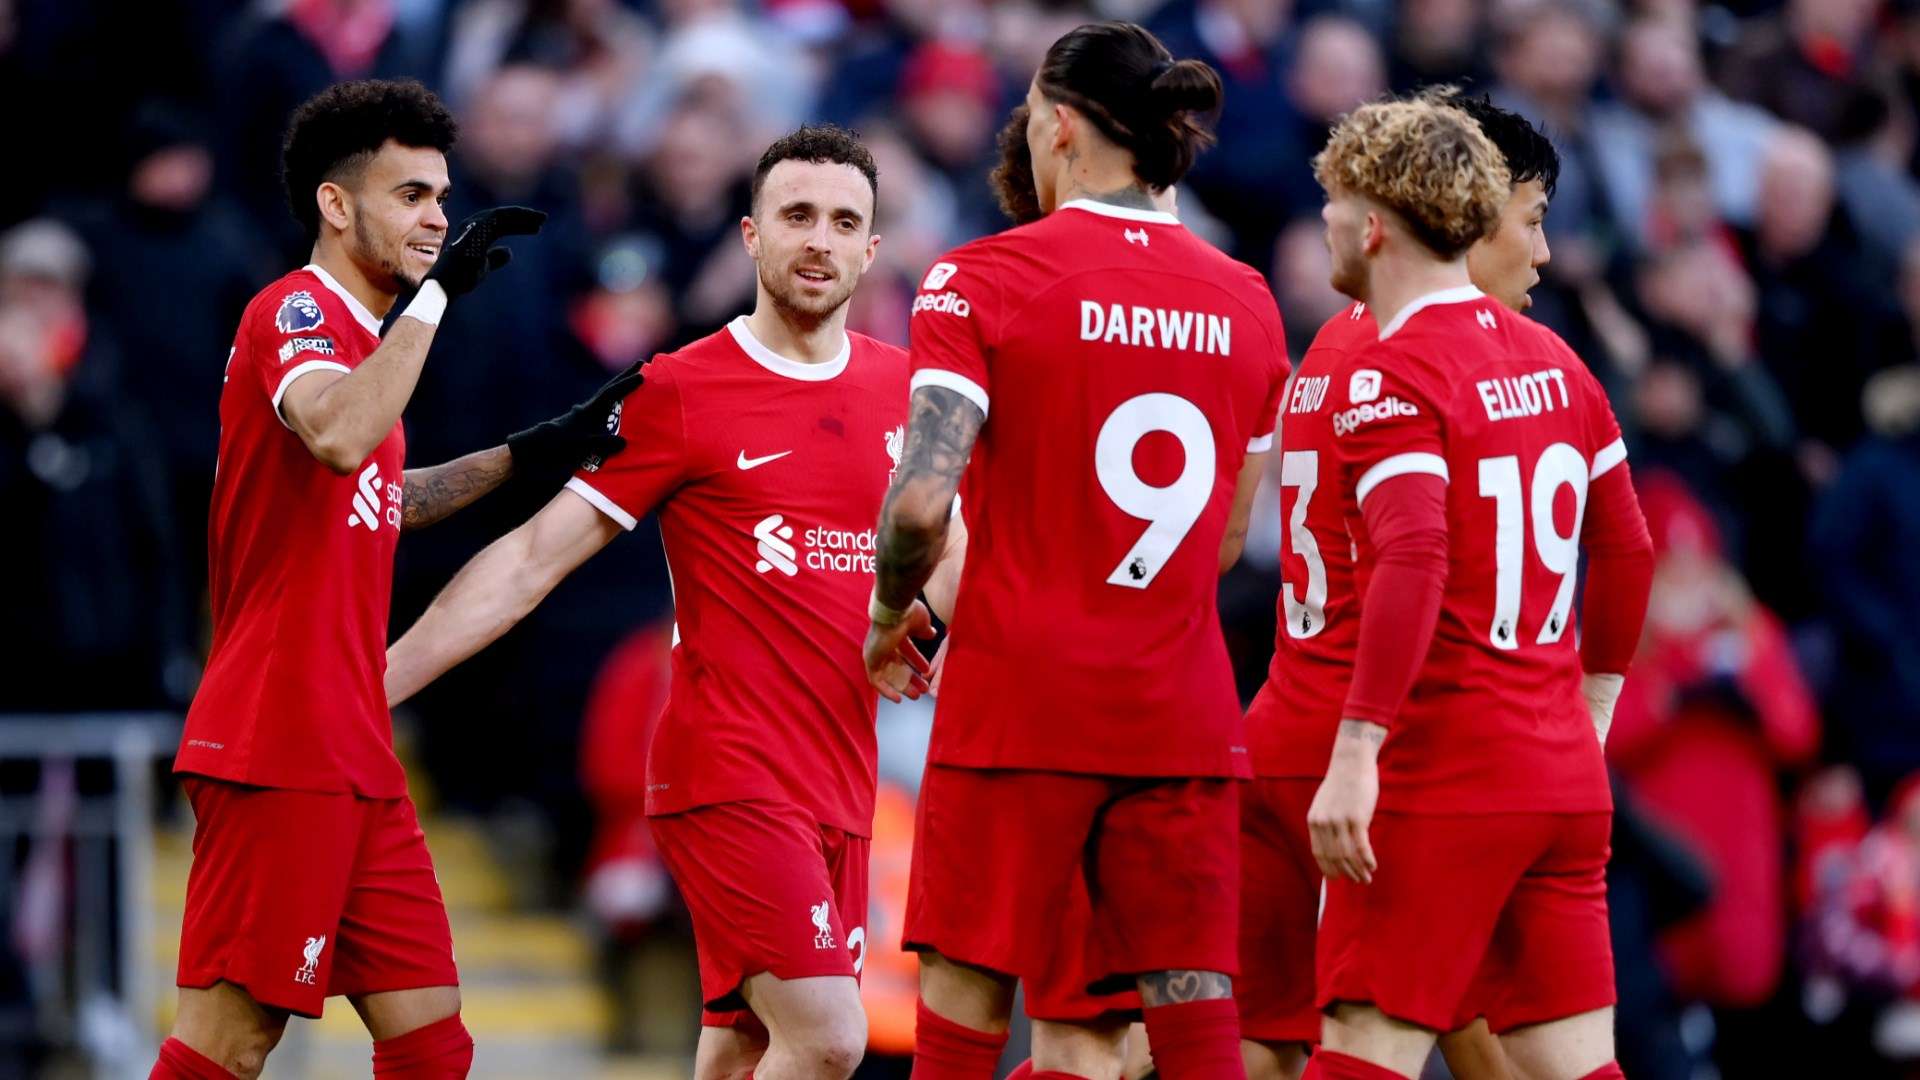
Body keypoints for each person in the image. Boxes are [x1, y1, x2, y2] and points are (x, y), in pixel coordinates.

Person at [381, 124, 965, 1080]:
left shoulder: (905, 390)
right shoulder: (683, 389)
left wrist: (922, 614)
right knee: (828, 1039)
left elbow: (951, 539)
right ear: (750, 236)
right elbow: (532, 556)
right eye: (798, 216)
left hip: (845, 784)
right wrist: (377, 686)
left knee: (739, 1050)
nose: (819, 239)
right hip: (728, 775)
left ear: (873, 247)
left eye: (844, 221)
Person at [152, 78, 630, 1080]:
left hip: (355, 740)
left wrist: (526, 455)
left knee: (431, 1043)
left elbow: (377, 496)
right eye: (411, 193)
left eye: (443, 196)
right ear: (337, 205)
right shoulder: (294, 310)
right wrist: (439, 297)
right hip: (279, 735)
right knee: (229, 1042)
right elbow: (336, 436)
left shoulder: (364, 349)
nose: (438, 217)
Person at [864, 22, 1291, 1080]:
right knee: (1191, 1017)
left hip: (1018, 704)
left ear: (1056, 126)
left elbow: (920, 502)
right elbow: (1232, 535)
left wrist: (885, 618)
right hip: (1180, 713)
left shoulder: (983, 277)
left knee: (962, 1013)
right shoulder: (1248, 300)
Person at [1299, 95, 1654, 1080]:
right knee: (1574, 1065)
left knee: (1360, 1051)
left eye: (1330, 202)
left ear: (1372, 222)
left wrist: (1359, 747)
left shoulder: (1391, 367)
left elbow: (1413, 558)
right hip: (1561, 783)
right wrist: (1590, 711)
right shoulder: (1558, 361)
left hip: (1444, 772)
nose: (1322, 222)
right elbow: (1628, 548)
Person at [1239, 89, 1560, 1080]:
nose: (1539, 253)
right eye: (1531, 219)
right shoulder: (1431, 363)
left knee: (1263, 1038)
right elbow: (1418, 561)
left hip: (1291, 718)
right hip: (1388, 749)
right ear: (1462, 210)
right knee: (1464, 1037)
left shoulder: (1339, 343)